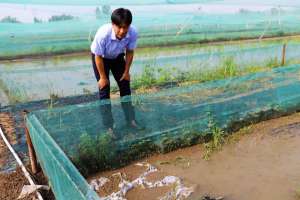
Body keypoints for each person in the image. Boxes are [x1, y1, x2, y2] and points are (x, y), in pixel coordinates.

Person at [91, 8, 142, 137]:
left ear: (129, 26)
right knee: (104, 89)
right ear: (113, 24)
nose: (122, 31)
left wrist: (126, 71)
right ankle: (109, 127)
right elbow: (97, 55)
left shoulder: (133, 32)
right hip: (101, 58)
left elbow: (129, 52)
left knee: (125, 85)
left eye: (125, 27)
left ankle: (131, 120)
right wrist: (103, 77)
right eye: (119, 27)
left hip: (118, 57)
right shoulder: (103, 33)